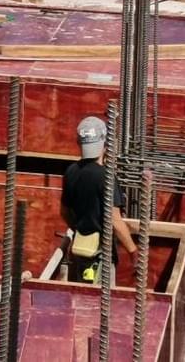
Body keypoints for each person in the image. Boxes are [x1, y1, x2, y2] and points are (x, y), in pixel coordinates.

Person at [61, 116, 136, 283]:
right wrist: (133, 251)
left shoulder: (71, 172)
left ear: (80, 143)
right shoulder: (106, 177)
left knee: (81, 299)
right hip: (100, 254)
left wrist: (80, 228)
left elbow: (64, 212)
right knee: (100, 304)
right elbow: (115, 221)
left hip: (80, 249)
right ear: (105, 145)